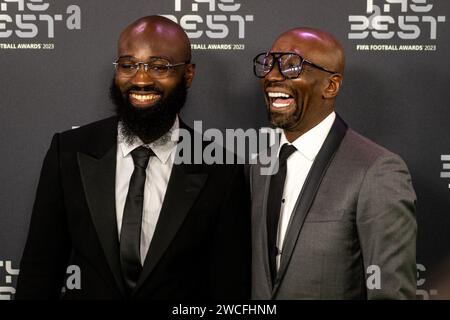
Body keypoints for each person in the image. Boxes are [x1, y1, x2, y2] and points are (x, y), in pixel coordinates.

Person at [16, 16, 250, 300]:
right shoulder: (68, 151)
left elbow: (228, 288)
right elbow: (39, 272)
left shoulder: (222, 169)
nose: (140, 79)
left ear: (188, 74)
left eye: (159, 66)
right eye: (128, 65)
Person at [249, 27, 417, 299]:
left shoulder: (376, 171)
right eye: (269, 63)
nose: (272, 75)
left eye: (291, 65)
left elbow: (391, 293)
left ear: (331, 86)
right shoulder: (257, 168)